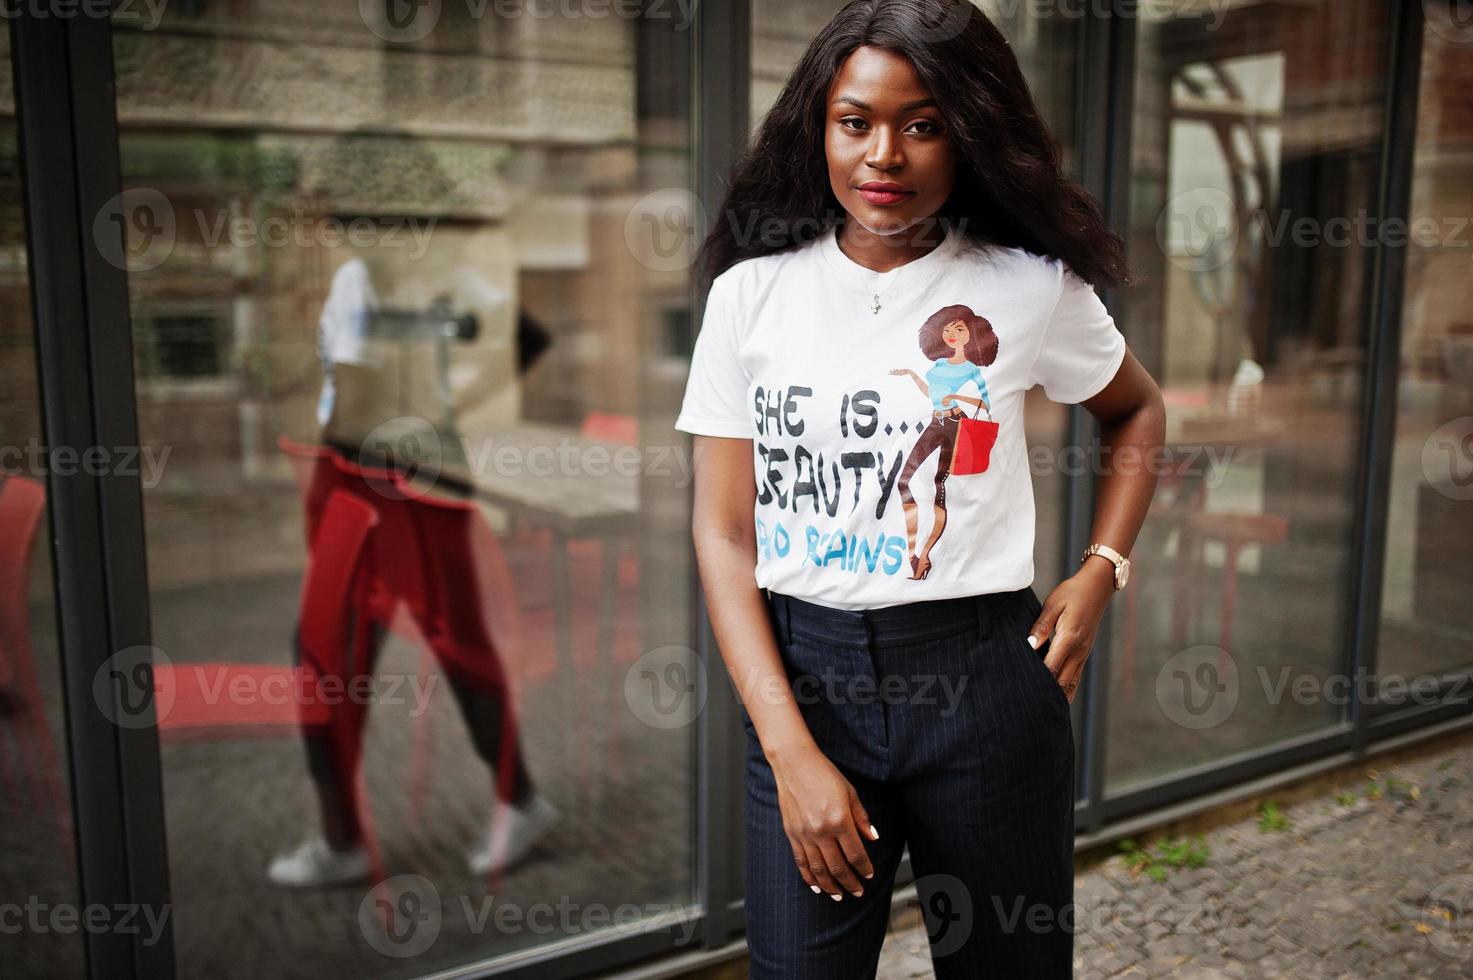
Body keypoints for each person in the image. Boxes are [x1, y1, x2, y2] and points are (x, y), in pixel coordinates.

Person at [673, 2, 1165, 977]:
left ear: (968, 131)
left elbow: (1137, 410)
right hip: (806, 685)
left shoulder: (1028, 286)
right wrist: (789, 748)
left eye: (924, 122)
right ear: (820, 127)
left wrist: (1103, 567)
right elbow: (725, 532)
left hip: (984, 678)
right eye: (856, 121)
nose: (884, 153)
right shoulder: (751, 295)